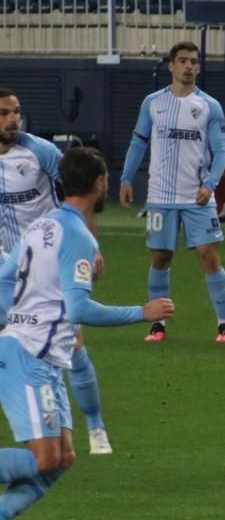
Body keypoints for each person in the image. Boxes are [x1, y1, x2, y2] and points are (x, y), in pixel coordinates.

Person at [0, 147, 174, 520]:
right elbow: (79, 309)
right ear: (99, 184)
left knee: (62, 458)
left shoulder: (41, 225)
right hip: (29, 355)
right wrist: (142, 312)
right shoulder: (77, 235)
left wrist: (19, 314)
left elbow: (5, 278)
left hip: (40, 355)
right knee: (44, 459)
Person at [0, 87, 113, 455]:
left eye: (15, 112)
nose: (12, 119)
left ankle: (95, 427)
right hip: (9, 269)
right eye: (4, 113)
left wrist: (90, 248)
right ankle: (34, 423)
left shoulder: (42, 153)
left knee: (73, 346)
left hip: (50, 263)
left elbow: (79, 200)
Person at [119, 41, 225, 343]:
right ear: (171, 65)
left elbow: (221, 152)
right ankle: (158, 324)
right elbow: (138, 142)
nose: (188, 67)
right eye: (182, 61)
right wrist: (126, 178)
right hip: (160, 196)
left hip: (198, 195)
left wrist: (209, 186)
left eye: (193, 62)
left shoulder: (210, 106)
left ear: (199, 67)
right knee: (160, 258)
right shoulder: (153, 103)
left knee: (209, 256)